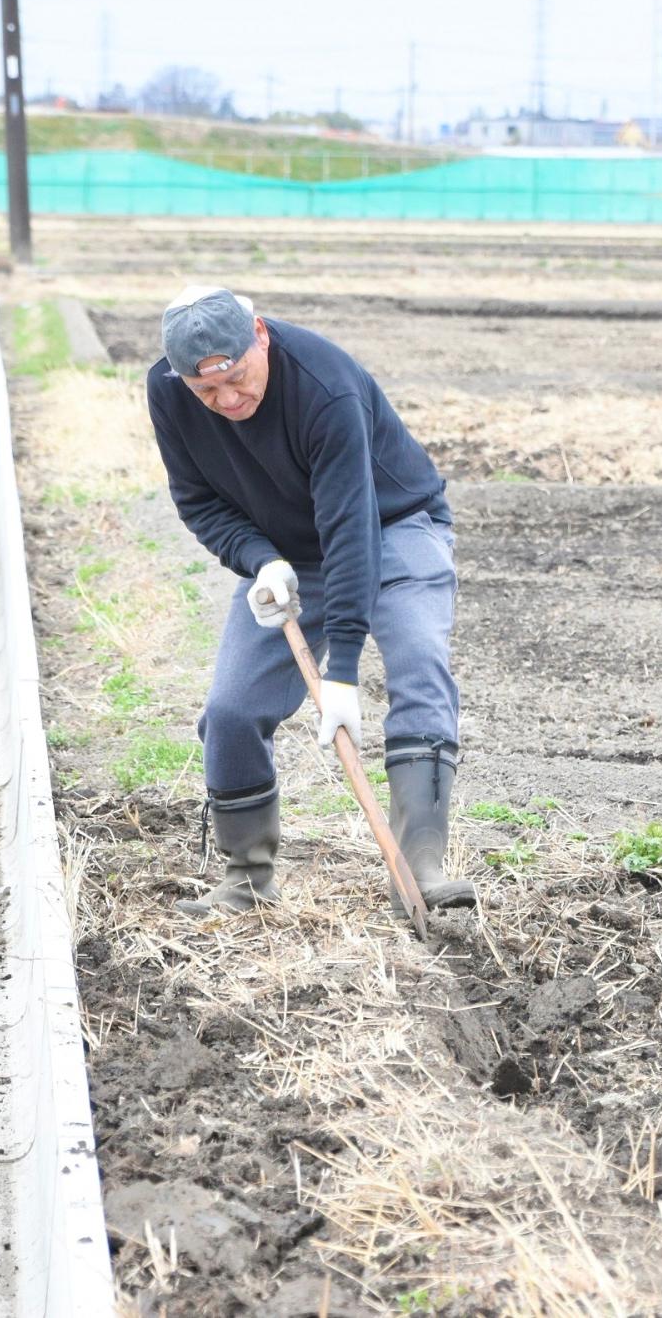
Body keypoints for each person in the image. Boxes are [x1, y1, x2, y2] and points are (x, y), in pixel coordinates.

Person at [145, 285, 475, 919]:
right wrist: (260, 559)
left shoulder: (325, 386)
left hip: (393, 526)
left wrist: (342, 668)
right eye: (206, 389)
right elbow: (197, 500)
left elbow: (351, 526)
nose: (227, 400)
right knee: (232, 709)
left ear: (260, 336)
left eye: (236, 379)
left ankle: (422, 869)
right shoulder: (168, 392)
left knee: (418, 663)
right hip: (289, 551)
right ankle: (246, 878)